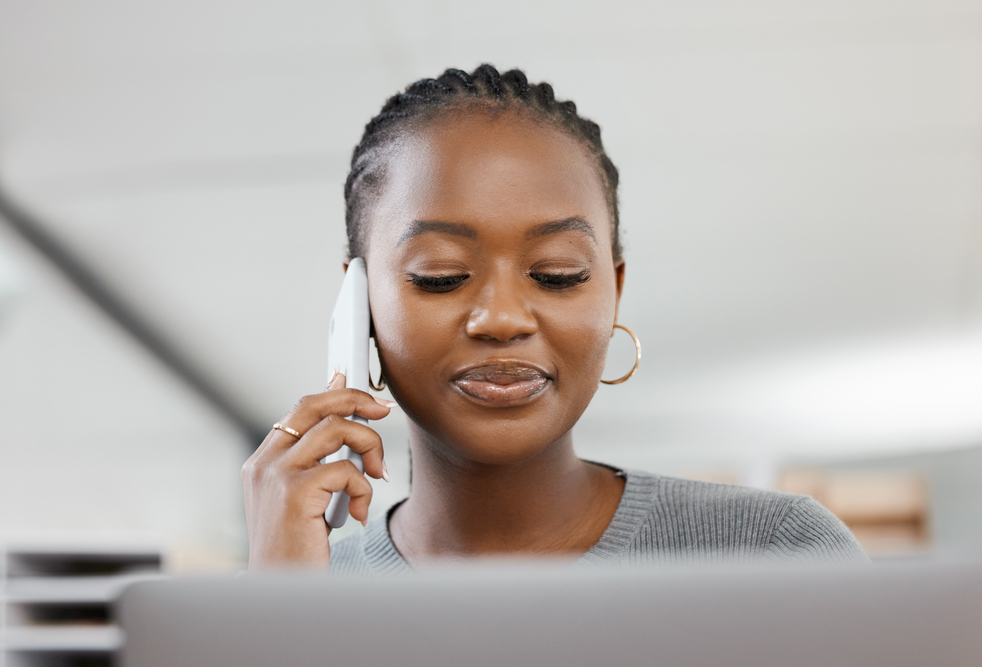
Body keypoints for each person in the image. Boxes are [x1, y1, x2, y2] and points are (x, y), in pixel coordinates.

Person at [241, 65, 867, 574]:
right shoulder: (286, 591)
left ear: (613, 292)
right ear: (359, 303)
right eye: (440, 275)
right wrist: (282, 614)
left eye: (558, 272)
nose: (502, 319)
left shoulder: (776, 556)